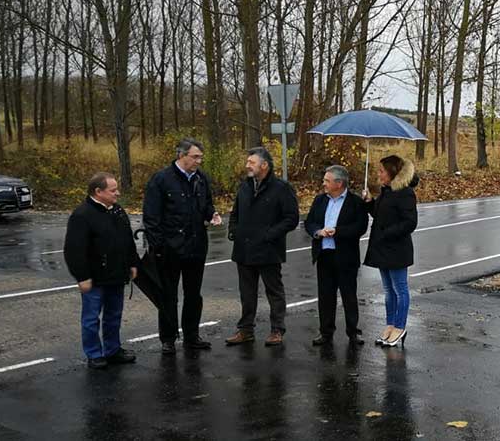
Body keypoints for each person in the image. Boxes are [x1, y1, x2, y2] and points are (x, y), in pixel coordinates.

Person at [142, 138, 223, 354]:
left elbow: (207, 204)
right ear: (181, 155)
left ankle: (191, 335)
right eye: (195, 157)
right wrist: (159, 246)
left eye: (200, 157)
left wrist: (211, 214)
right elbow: (151, 217)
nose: (199, 161)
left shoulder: (201, 179)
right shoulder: (161, 180)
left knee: (193, 294)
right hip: (170, 249)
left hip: (196, 247)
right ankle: (168, 338)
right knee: (168, 295)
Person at [225, 147, 300, 347]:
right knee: (246, 293)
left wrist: (269, 235)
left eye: (252, 162)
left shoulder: (282, 188)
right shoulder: (245, 186)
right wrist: (234, 230)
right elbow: (235, 212)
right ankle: (245, 330)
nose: (247, 165)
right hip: (244, 249)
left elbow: (291, 219)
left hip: (269, 250)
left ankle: (277, 330)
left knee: (274, 292)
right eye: (248, 161)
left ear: (264, 165)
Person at [63, 172, 139, 369]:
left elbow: (127, 240)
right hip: (95, 278)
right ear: (98, 191)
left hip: (116, 274)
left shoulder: (117, 211)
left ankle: (113, 350)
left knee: (114, 316)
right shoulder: (82, 215)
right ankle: (94, 354)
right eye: (113, 190)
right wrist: (82, 276)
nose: (117, 194)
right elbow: (74, 250)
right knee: (91, 318)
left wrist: (132, 263)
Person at [304, 165, 369, 346]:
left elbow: (360, 227)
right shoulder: (320, 200)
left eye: (327, 180)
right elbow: (309, 222)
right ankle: (326, 333)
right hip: (324, 254)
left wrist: (337, 231)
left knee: (348, 295)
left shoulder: (355, 202)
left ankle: (353, 332)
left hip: (345, 256)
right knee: (325, 296)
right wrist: (318, 232)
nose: (323, 183)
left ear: (339, 183)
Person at [363, 155, 419, 347]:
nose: (378, 174)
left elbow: (410, 222)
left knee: (400, 289)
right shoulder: (386, 192)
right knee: (388, 290)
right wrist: (370, 202)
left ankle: (400, 326)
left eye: (382, 171)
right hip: (382, 249)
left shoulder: (405, 193)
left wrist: (388, 233)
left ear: (392, 172)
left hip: (396, 249)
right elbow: (379, 215)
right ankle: (390, 325)